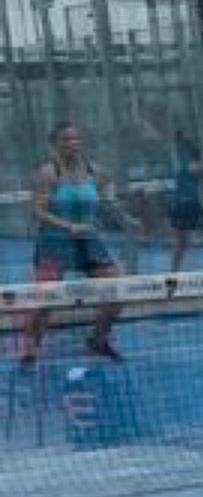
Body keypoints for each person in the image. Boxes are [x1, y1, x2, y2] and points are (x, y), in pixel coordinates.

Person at [19, 121, 125, 366]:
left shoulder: (95, 170)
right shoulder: (48, 173)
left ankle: (98, 339)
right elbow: (37, 210)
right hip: (54, 242)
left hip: (88, 241)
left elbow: (108, 192)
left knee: (119, 290)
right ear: (55, 144)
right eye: (66, 139)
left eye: (76, 139)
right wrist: (68, 226)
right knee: (46, 299)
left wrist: (118, 211)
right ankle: (31, 347)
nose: (72, 144)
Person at [165, 126, 203, 272]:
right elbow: (200, 170)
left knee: (184, 242)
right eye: (185, 136)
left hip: (188, 202)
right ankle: (176, 271)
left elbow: (202, 171)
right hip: (183, 203)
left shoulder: (189, 152)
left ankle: (179, 270)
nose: (188, 137)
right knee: (182, 242)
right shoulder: (182, 155)